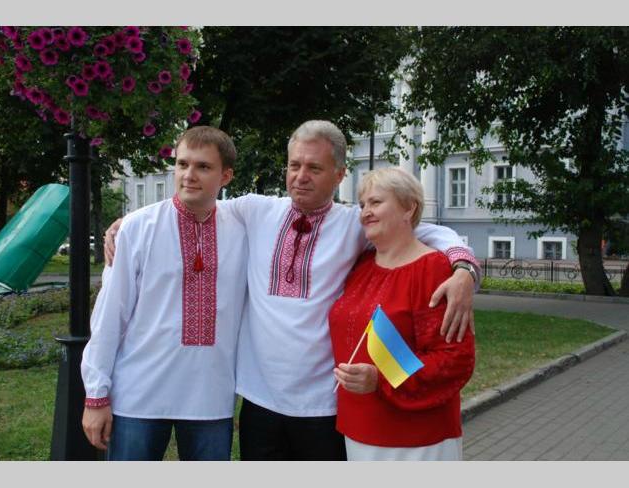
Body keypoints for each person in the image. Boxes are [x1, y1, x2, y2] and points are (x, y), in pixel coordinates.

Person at [105, 120, 480, 461]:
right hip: (259, 402)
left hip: (323, 405)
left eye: (314, 168)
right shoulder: (254, 210)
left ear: (339, 175)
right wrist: (127, 224)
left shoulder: (353, 223)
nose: (301, 176)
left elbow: (426, 230)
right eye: (294, 165)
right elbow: (195, 201)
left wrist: (464, 268)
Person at [81, 126, 248, 460]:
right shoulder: (138, 227)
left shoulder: (244, 229)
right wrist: (96, 395)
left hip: (210, 397)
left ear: (226, 176)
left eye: (203, 166)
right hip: (139, 395)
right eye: (182, 164)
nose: (189, 175)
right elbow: (110, 314)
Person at [329, 167, 475, 460]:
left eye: (376, 202)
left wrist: (380, 380)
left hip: (416, 438)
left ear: (409, 208)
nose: (365, 212)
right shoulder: (362, 267)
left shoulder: (433, 270)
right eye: (362, 205)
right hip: (357, 428)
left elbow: (455, 359)